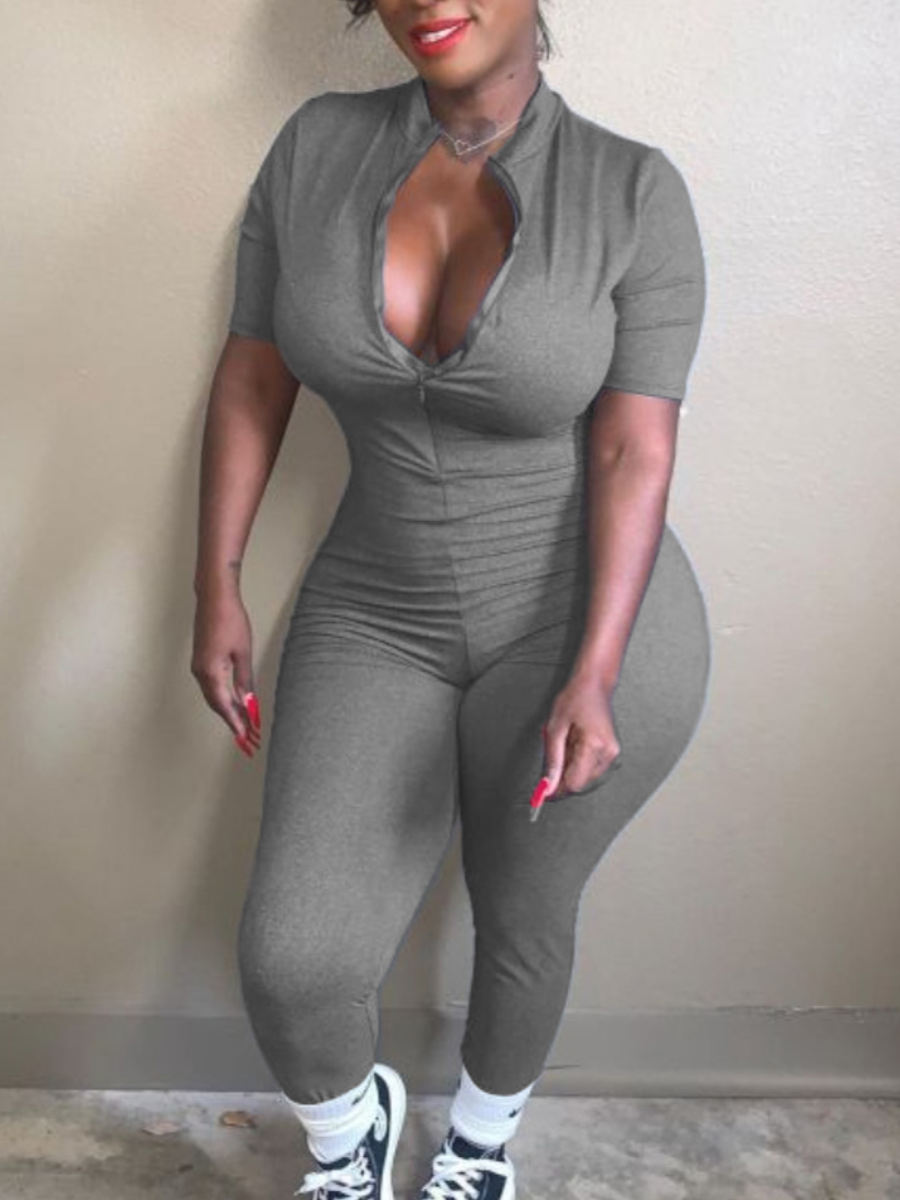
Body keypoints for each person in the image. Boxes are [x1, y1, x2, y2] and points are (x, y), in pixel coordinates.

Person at [191, 0, 710, 1196]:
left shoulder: (634, 191)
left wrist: (595, 668)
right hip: (377, 607)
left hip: (585, 610)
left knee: (522, 910)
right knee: (293, 958)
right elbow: (254, 376)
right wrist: (216, 582)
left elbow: (634, 447)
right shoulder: (313, 148)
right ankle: (348, 1140)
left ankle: (479, 1147)